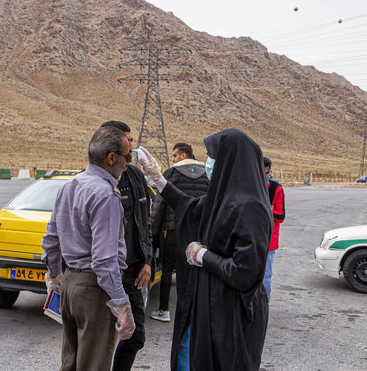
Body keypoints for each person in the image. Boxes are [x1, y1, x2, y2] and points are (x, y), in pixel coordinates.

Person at [138, 129, 272, 371]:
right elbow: (189, 206)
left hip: (232, 314)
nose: (208, 163)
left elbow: (246, 273)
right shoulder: (221, 198)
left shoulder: (252, 207)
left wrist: (204, 256)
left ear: (229, 161)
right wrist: (158, 179)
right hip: (210, 303)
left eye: (212, 157)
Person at [41, 125, 136, 371]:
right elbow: (105, 260)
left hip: (70, 283)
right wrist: (121, 304)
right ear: (111, 158)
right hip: (94, 290)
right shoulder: (106, 195)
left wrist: (54, 276)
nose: (128, 164)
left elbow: (51, 239)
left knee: (70, 363)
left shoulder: (69, 186)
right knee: (93, 365)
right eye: (127, 157)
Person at [99, 121, 153, 371]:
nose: (132, 147)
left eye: (131, 141)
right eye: (127, 141)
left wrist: (148, 261)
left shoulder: (136, 176)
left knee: (135, 336)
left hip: (133, 274)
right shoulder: (96, 182)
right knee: (99, 343)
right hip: (104, 276)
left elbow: (145, 222)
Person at [150, 142, 209, 322]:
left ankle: (163, 310)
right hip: (199, 233)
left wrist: (152, 234)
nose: (173, 159)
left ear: (183, 156)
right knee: (196, 268)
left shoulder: (171, 174)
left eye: (175, 156)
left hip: (172, 231)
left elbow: (159, 205)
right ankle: (195, 311)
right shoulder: (207, 175)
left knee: (168, 269)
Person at [262, 157, 285, 303]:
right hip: (250, 240)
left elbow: (281, 215)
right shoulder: (248, 186)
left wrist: (265, 211)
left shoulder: (276, 189)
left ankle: (264, 305)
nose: (265, 176)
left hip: (269, 242)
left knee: (266, 276)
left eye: (267, 173)